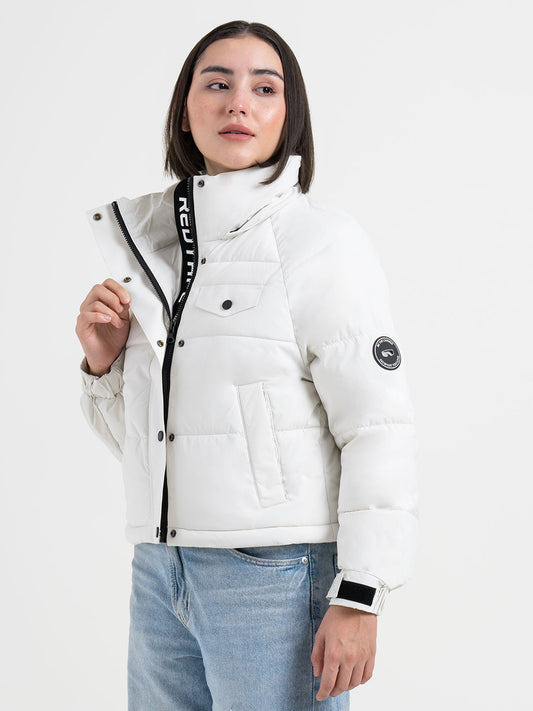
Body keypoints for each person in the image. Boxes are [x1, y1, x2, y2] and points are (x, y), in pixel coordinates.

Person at [75, 19, 418, 711]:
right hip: (159, 570)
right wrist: (103, 366)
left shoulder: (321, 243)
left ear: (290, 117)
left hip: (275, 575)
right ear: (185, 110)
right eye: (217, 84)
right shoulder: (155, 252)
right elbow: (150, 451)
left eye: (264, 88)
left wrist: (361, 591)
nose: (238, 103)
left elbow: (378, 426)